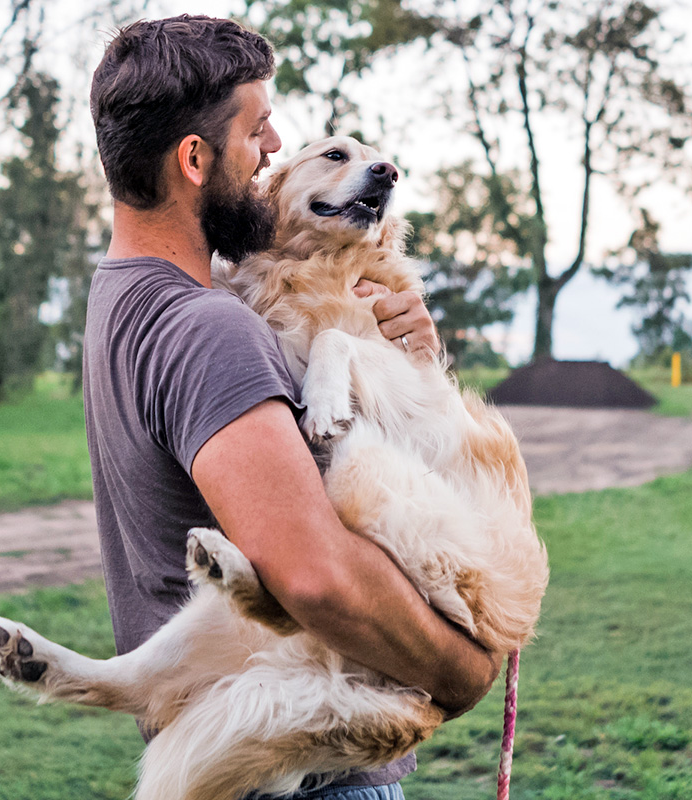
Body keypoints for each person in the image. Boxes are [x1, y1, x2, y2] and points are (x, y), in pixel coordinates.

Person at [83, 15, 498, 799]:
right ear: (195, 158)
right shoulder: (210, 327)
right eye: (259, 132)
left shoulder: (123, 297)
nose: (272, 153)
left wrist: (401, 358)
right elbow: (314, 576)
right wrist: (467, 670)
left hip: (219, 740)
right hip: (311, 764)